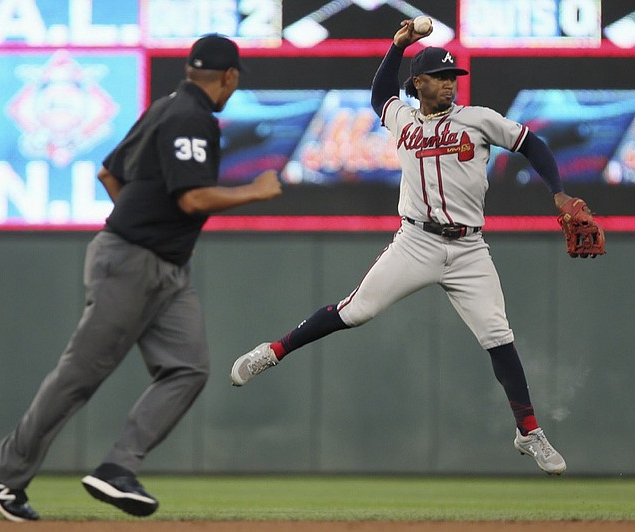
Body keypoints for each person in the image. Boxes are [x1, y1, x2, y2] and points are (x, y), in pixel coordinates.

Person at [231, 20, 586, 475]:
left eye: (452, 77)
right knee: (354, 311)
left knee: (499, 337)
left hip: (468, 249)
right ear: (418, 83)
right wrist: (396, 46)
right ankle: (273, 351)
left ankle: (528, 431)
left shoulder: (477, 120)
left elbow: (532, 144)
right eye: (440, 78)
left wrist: (557, 193)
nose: (449, 85)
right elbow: (380, 95)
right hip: (416, 240)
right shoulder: (402, 118)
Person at [0, 34, 282, 522]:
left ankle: (118, 466)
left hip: (165, 266)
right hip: (134, 261)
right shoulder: (191, 118)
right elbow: (192, 199)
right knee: (81, 374)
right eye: (234, 78)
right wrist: (254, 191)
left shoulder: (165, 107)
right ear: (229, 77)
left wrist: (147, 226)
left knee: (188, 367)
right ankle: (4, 470)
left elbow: (108, 175)